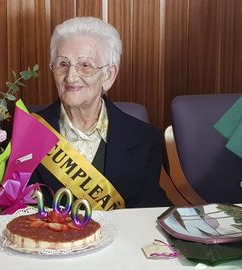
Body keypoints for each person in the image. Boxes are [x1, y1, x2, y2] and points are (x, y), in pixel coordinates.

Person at [29, 17, 170, 209]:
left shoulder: (145, 138)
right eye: (63, 64)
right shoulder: (28, 132)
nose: (70, 76)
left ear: (109, 75)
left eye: (85, 65)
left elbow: (148, 210)